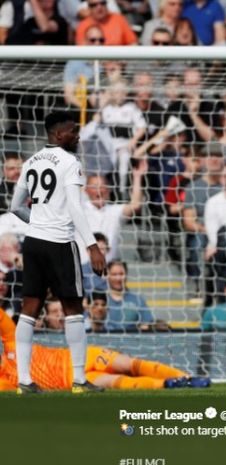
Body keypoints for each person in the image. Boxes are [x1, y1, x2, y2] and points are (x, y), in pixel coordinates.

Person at [9, 111, 107, 394]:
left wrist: (39, 221)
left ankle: (24, 381)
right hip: (60, 244)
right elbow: (76, 207)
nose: (77, 135)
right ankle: (78, 380)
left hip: (34, 242)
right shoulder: (70, 162)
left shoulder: (30, 161)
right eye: (73, 130)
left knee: (29, 309)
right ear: (58, 133)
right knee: (73, 308)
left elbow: (16, 206)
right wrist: (92, 245)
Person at [0, 308, 209, 390]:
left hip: (80, 356)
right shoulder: (5, 379)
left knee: (130, 364)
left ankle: (187, 377)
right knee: (116, 382)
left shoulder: (13, 344)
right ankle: (168, 384)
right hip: (70, 381)